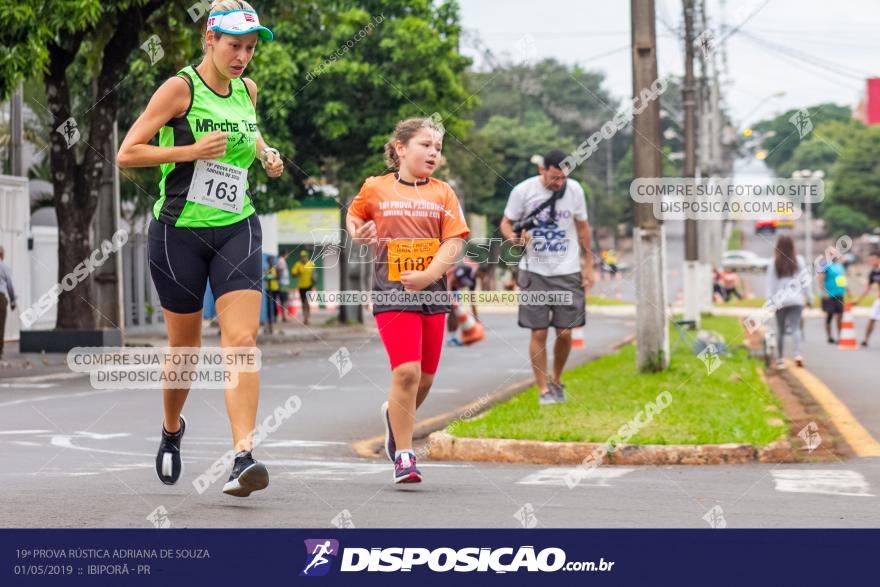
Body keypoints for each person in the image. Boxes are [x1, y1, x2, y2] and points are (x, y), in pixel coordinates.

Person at [117, 0, 283, 497]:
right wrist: (187, 151)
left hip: (237, 226)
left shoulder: (247, 90)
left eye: (251, 48)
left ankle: (243, 457)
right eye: (234, 46)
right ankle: (172, 428)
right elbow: (129, 153)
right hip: (178, 234)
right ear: (209, 40)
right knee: (185, 350)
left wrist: (266, 153)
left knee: (241, 342)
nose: (242, 57)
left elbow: (245, 136)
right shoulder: (179, 89)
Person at [346, 117, 469, 484]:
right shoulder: (376, 188)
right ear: (400, 148)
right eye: (426, 145)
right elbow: (355, 218)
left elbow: (455, 242)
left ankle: (394, 418)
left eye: (438, 148)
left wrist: (429, 275)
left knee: (425, 381)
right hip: (391, 292)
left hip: (432, 293)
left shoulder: (443, 193)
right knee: (406, 373)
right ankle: (404, 454)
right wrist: (360, 233)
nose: (433, 153)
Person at [499, 149, 594, 406]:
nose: (559, 183)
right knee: (538, 332)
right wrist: (516, 240)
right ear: (542, 170)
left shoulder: (574, 191)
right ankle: (543, 390)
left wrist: (588, 265)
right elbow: (506, 223)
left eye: (563, 178)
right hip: (535, 270)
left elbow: (583, 227)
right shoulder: (523, 191)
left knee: (565, 332)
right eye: (554, 177)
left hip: (568, 269)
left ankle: (556, 379)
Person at [765, 236, 810, 369]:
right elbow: (805, 280)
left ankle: (780, 360)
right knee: (795, 328)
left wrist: (769, 300)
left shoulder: (774, 262)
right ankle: (797, 354)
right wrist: (809, 297)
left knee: (781, 330)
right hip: (797, 300)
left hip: (780, 300)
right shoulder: (799, 260)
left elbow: (770, 283)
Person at [446, 259, 481, 347]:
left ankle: (453, 337)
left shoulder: (473, 281)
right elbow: (450, 280)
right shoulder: (465, 270)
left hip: (455, 291)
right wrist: (449, 294)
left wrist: (476, 318)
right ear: (480, 271)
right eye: (482, 276)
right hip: (446, 287)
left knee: (456, 313)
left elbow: (472, 299)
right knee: (453, 313)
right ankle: (451, 338)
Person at [817, 247, 848, 344]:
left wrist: (847, 289)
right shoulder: (825, 265)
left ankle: (840, 336)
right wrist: (824, 292)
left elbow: (841, 279)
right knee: (829, 315)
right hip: (829, 295)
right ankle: (830, 336)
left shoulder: (839, 266)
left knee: (840, 315)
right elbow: (820, 279)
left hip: (839, 294)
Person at [855, 250, 880, 347]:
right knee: (872, 318)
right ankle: (865, 339)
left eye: (873, 260)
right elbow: (867, 288)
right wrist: (858, 300)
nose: (871, 262)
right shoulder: (873, 272)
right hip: (879, 300)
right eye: (870, 260)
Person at [0, 246, 17, 361]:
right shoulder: (4, 267)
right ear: (2, 255)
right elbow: (9, 285)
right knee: (0, 325)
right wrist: (13, 301)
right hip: (0, 297)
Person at [291, 250, 316, 325]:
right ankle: (305, 316)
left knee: (306, 301)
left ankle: (306, 318)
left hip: (309, 285)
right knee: (303, 302)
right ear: (300, 257)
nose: (303, 258)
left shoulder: (311, 264)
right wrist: (299, 273)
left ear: (307, 257)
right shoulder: (297, 265)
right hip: (301, 286)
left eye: (304, 257)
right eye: (302, 257)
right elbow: (293, 275)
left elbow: (314, 274)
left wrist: (314, 278)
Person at [264, 256, 280, 334]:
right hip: (268, 289)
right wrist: (268, 277)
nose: (271, 262)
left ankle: (274, 319)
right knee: (268, 306)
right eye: (269, 260)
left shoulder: (276, 269)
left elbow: (278, 277)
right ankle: (269, 323)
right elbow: (264, 277)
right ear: (268, 262)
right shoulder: (266, 269)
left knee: (274, 305)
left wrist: (273, 277)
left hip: (275, 288)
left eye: (272, 260)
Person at [276, 254, 290, 322]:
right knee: (284, 301)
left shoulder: (282, 260)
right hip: (283, 284)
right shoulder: (281, 260)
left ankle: (284, 316)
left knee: (284, 301)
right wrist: (279, 280)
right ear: (285, 254)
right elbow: (278, 270)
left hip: (284, 284)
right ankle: (284, 317)